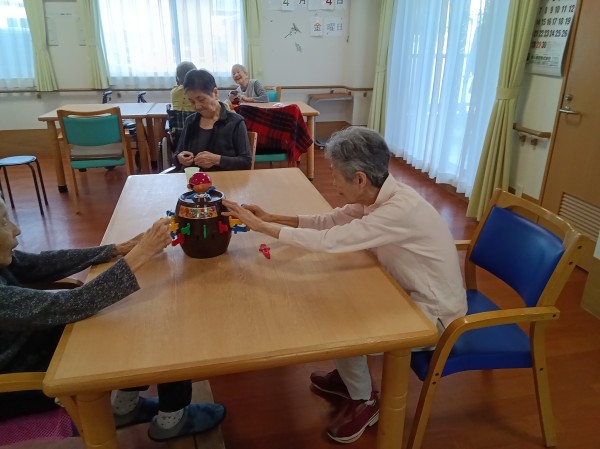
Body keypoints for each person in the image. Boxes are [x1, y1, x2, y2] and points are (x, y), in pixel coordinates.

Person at [222, 126, 467, 444]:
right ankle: (351, 378)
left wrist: (260, 226)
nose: (333, 181)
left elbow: (329, 241)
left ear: (360, 179)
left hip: (436, 317)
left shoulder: (397, 210)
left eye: (335, 175)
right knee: (337, 302)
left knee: (344, 326)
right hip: (405, 292)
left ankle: (365, 401)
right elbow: (330, 221)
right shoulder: (378, 194)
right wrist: (272, 217)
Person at [0, 201, 225, 442]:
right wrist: (141, 254)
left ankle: (126, 407)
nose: (16, 229)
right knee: (159, 327)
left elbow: (37, 264)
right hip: (27, 385)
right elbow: (74, 303)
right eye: (3, 222)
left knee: (138, 316)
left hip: (39, 346)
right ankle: (173, 418)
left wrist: (118, 249)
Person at [172, 69, 252, 172]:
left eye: (201, 100)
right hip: (193, 179)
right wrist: (179, 158)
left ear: (215, 93)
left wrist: (217, 160)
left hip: (225, 180)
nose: (197, 106)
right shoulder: (191, 121)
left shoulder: (235, 122)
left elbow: (246, 162)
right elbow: (177, 154)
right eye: (192, 102)